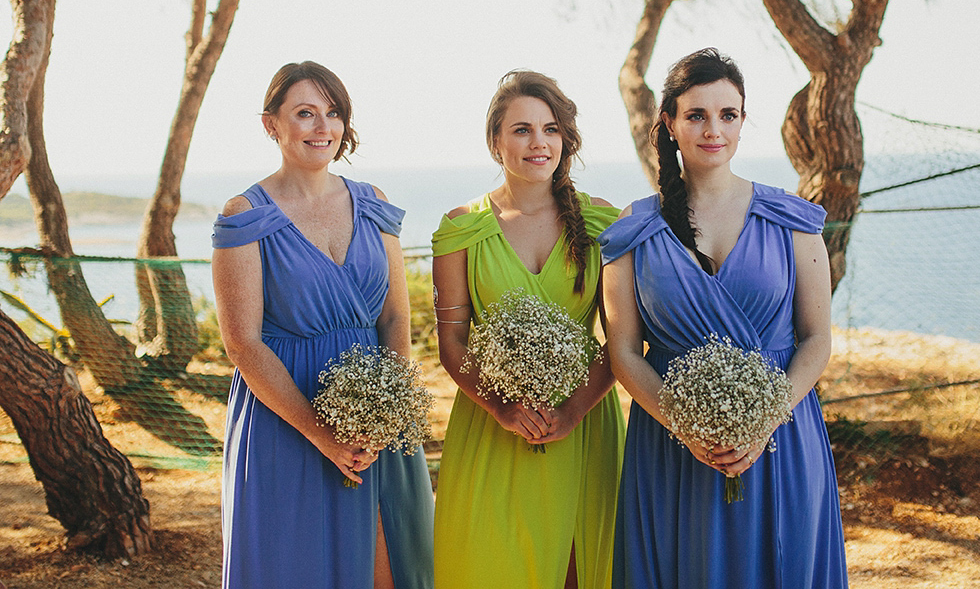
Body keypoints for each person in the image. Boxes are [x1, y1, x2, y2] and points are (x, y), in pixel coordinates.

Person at [599, 48, 849, 588]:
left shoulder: (791, 218)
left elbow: (817, 340)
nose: (714, 129)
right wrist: (687, 427)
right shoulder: (634, 228)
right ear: (669, 123)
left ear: (741, 120)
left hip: (780, 437)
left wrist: (761, 422)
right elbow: (622, 350)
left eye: (728, 114)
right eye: (696, 115)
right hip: (670, 446)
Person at [212, 61, 433, 589]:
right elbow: (242, 344)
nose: (322, 128)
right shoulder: (245, 214)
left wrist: (390, 411)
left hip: (378, 423)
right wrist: (323, 433)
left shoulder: (372, 203)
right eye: (305, 114)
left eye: (332, 113)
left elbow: (395, 315)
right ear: (272, 125)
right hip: (286, 421)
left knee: (392, 565)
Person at [430, 70, 625, 589]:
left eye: (551, 129)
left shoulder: (605, 224)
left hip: (585, 426)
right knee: (492, 566)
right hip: (492, 427)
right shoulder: (461, 229)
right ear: (496, 140)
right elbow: (450, 343)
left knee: (579, 572)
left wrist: (574, 409)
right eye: (521, 129)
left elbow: (623, 341)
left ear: (566, 138)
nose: (538, 142)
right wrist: (501, 406)